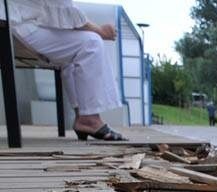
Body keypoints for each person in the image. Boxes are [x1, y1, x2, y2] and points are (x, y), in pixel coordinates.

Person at [4, 0, 126, 140]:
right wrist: (99, 30)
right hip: (14, 23)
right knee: (91, 42)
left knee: (74, 48)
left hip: (13, 21)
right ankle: (88, 118)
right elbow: (64, 9)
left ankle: (83, 116)